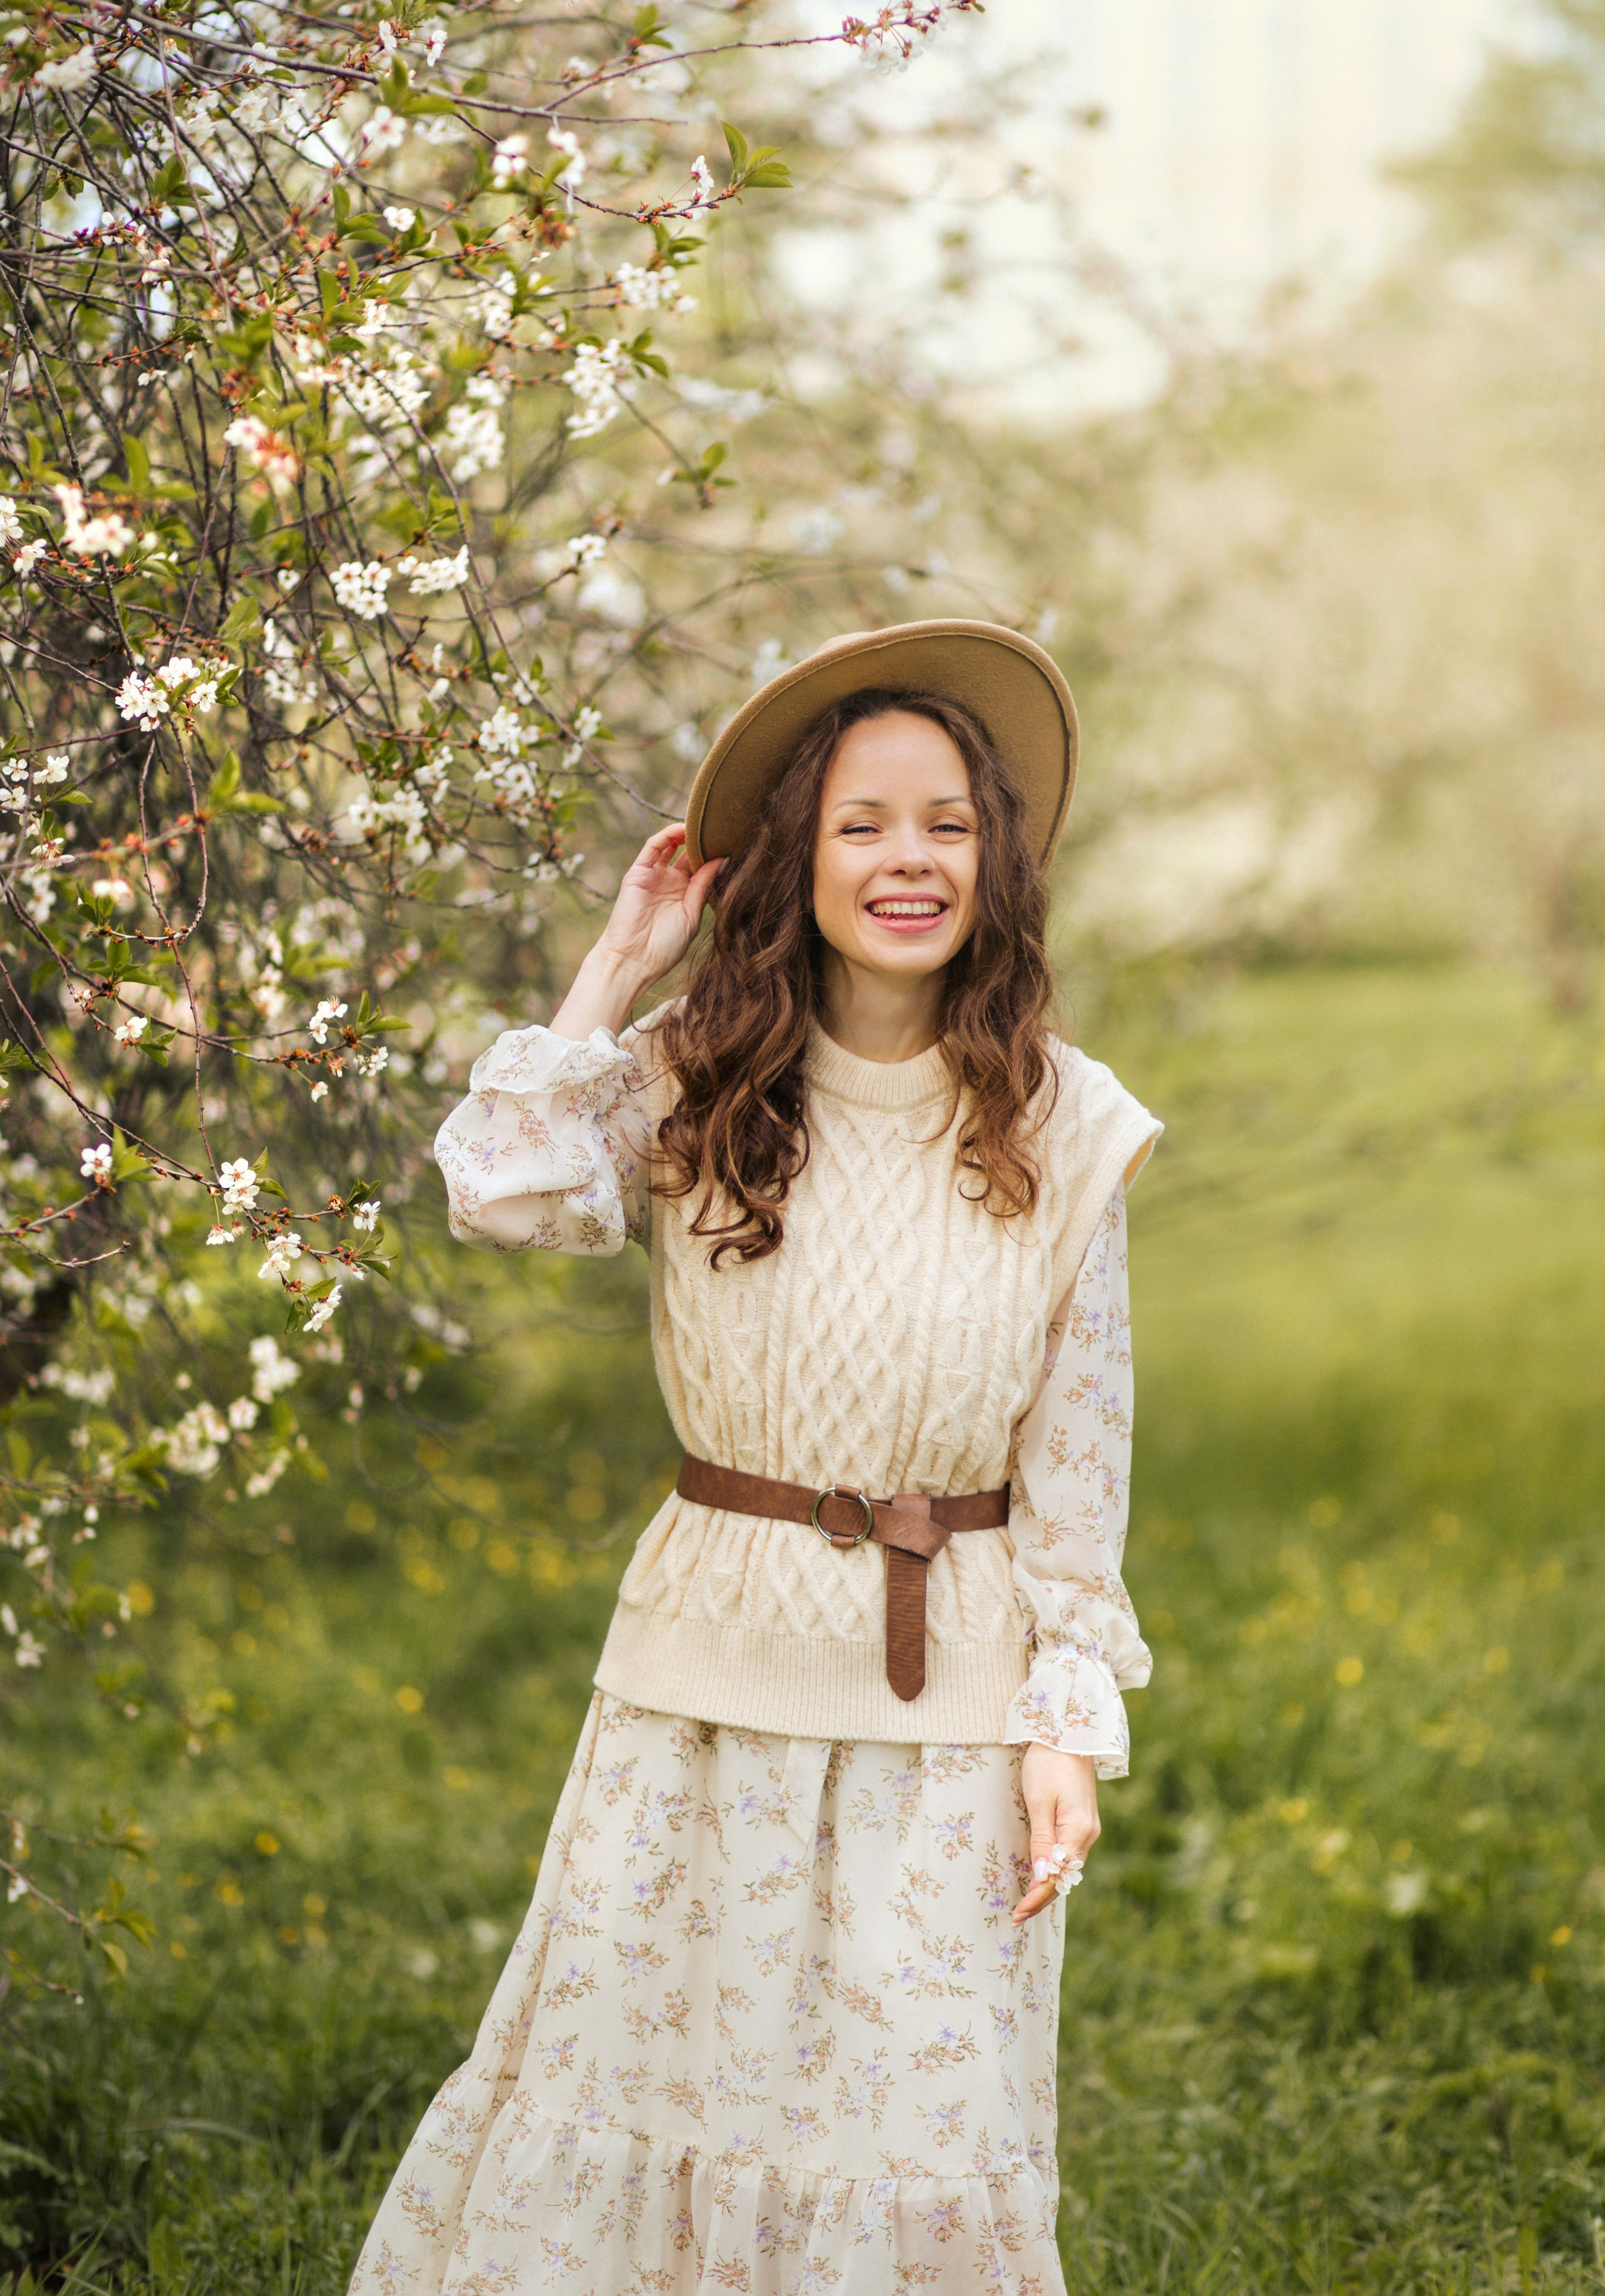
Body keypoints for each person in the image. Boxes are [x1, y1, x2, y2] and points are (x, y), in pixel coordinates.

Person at [351, 619, 1162, 2296]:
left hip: (950, 1688)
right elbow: (499, 1186)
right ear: (796, 858)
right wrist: (623, 963)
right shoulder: (702, 1083)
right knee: (665, 2097)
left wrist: (1065, 1729)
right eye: (862, 823)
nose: (908, 860)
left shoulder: (1068, 1122)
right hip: (704, 1676)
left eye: (946, 822)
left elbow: (1082, 1450)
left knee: (914, 2132)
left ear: (993, 858)